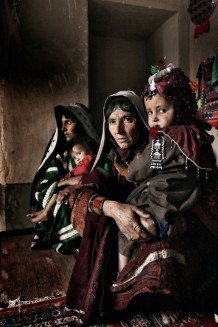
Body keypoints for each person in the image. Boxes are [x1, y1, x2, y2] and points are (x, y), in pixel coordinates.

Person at [65, 78, 218, 327]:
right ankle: (124, 293)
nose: (119, 130)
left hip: (168, 227)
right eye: (112, 122)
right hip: (125, 231)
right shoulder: (110, 159)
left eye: (127, 119)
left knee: (160, 240)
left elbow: (206, 194)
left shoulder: (164, 146)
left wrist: (183, 221)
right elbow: (83, 194)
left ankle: (166, 300)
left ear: (140, 118)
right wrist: (115, 209)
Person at [27, 103, 100, 255]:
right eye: (61, 123)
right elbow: (45, 184)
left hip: (85, 191)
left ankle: (83, 241)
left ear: (80, 123)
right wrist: (64, 185)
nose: (63, 128)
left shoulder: (94, 152)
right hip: (64, 192)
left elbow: (101, 175)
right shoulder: (62, 155)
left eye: (69, 122)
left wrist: (73, 183)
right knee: (62, 199)